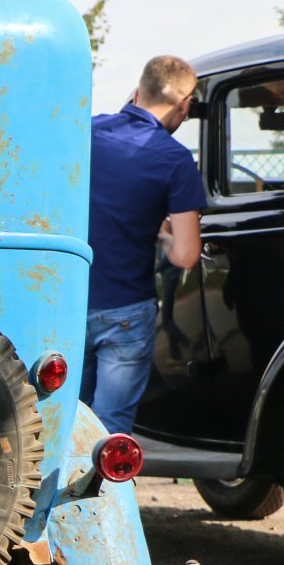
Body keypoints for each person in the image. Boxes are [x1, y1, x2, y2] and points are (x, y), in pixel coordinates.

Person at [81, 55, 207, 435]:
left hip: (69, 299)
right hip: (125, 310)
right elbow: (186, 255)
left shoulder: (86, 132)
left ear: (138, 93)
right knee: (110, 429)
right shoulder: (175, 159)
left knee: (63, 417)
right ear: (185, 105)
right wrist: (164, 235)